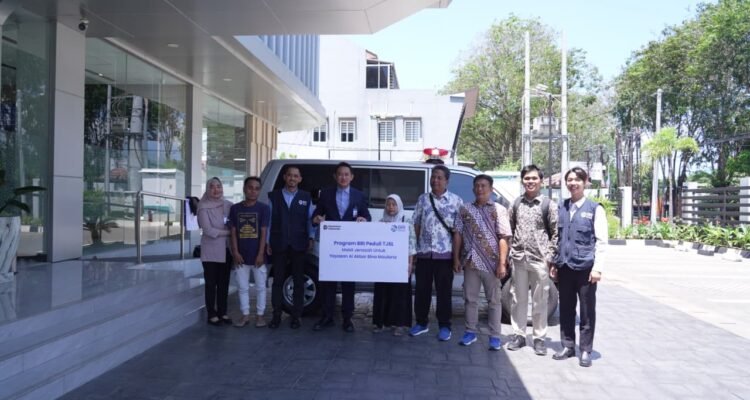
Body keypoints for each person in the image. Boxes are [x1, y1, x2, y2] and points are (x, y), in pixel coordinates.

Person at [551, 167, 608, 367]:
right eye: (570, 180)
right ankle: (568, 346)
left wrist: (597, 268)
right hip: (565, 267)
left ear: (585, 183)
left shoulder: (595, 209)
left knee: (586, 311)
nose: (573, 183)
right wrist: (555, 263)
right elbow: (558, 239)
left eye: (577, 180)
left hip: (585, 269)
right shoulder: (562, 207)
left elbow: (602, 241)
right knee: (566, 309)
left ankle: (585, 350)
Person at [452, 175, 512, 350]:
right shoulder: (464, 209)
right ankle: (470, 332)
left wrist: (502, 263)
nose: (480, 189)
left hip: (491, 264)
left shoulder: (499, 210)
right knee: (470, 299)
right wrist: (456, 258)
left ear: (491, 189)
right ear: (473, 189)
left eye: (483, 186)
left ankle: (495, 336)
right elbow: (458, 234)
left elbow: (504, 237)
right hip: (470, 262)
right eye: (477, 186)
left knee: (494, 301)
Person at [312, 162, 371, 332]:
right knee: (328, 282)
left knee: (348, 283)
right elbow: (316, 215)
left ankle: (347, 318)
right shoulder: (326, 194)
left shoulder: (359, 195)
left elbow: (366, 216)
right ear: (335, 176)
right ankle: (327, 316)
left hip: (349, 247)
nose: (343, 177)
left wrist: (364, 220)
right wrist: (316, 219)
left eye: (346, 174)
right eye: (340, 174)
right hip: (331, 246)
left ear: (351, 177)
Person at [507, 165, 559, 355]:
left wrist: (550, 257)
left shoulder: (548, 205)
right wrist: (511, 253)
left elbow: (556, 233)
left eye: (534, 178)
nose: (530, 181)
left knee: (540, 301)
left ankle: (539, 338)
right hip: (519, 258)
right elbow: (510, 229)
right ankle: (519, 335)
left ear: (541, 181)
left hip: (540, 260)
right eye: (527, 178)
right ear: (522, 181)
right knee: (517, 299)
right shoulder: (515, 204)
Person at [410, 165, 463, 341]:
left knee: (444, 293)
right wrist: (415, 250)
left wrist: (456, 258)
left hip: (445, 255)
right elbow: (416, 224)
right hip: (424, 253)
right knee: (421, 290)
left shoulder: (456, 201)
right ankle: (421, 323)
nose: (435, 180)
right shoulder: (423, 199)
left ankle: (445, 326)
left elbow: (458, 232)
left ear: (447, 180)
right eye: (433, 177)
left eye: (439, 177)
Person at [267, 165, 314, 329]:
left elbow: (310, 220)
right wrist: (267, 241)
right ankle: (276, 316)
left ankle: (296, 316)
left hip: (299, 244)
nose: (292, 178)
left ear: (300, 179)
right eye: (289, 175)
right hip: (278, 243)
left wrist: (311, 237)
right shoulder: (273, 196)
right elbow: (269, 221)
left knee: (298, 281)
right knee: (278, 281)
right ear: (284, 177)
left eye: (295, 176)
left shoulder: (306, 197)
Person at [228, 177, 271, 328]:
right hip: (240, 256)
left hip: (258, 256)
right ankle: (245, 315)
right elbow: (233, 232)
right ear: (244, 189)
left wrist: (260, 253)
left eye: (257, 188)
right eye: (250, 187)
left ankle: (260, 315)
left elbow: (264, 232)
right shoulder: (235, 209)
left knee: (261, 287)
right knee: (242, 287)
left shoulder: (264, 208)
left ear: (259, 191)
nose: (253, 191)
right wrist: (235, 252)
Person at [372, 194, 417, 336]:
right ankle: (380, 323)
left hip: (401, 265)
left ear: (399, 206)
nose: (391, 207)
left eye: (394, 204)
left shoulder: (406, 222)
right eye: (388, 204)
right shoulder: (381, 222)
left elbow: (411, 244)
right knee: (382, 293)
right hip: (383, 266)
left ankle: (399, 324)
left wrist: (410, 264)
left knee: (400, 294)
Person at [197, 177, 234, 326]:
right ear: (207, 189)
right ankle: (211, 314)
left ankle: (222, 312)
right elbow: (208, 230)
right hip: (211, 251)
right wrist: (230, 233)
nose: (216, 189)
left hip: (226, 250)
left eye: (219, 186)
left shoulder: (229, 205)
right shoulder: (203, 206)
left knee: (224, 283)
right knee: (211, 284)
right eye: (212, 187)